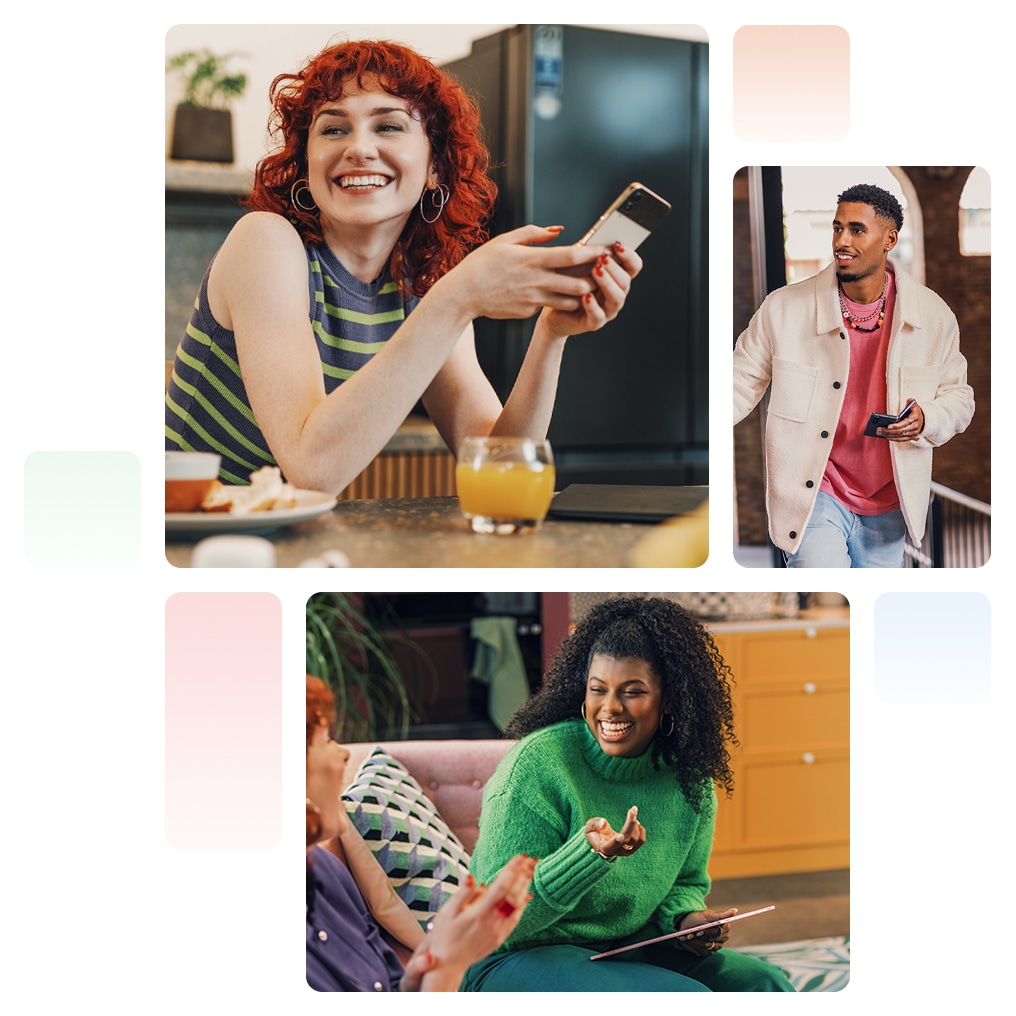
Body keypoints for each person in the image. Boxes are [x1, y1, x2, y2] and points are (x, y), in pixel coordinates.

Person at [166, 40, 641, 493]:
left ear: (435, 165)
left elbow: (500, 467)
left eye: (388, 126)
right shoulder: (265, 242)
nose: (358, 148)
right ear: (305, 162)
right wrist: (458, 297)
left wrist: (551, 334)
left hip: (286, 538)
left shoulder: (419, 286)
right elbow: (313, 468)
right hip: (179, 535)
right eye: (333, 129)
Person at [462, 597, 794, 992]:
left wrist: (687, 922)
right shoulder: (537, 766)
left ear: (668, 698)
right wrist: (591, 855)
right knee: (684, 998)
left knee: (763, 983)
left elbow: (684, 884)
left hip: (621, 948)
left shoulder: (689, 778)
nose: (610, 708)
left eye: (632, 691)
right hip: (511, 957)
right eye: (597, 689)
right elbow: (496, 915)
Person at [733, 182, 974, 567]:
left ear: (889, 239)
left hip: (889, 502)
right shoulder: (782, 309)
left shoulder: (933, 316)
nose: (841, 240)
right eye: (837, 228)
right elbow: (737, 383)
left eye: (857, 230)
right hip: (815, 494)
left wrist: (927, 417)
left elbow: (960, 398)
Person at [306, 675, 536, 991]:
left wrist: (433, 959)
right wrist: (452, 965)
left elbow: (390, 983)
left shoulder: (325, 872)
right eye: (326, 741)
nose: (344, 755)